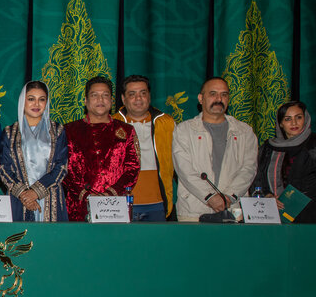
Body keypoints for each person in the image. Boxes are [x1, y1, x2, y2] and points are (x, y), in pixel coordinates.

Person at [172, 77, 258, 222]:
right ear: (201, 98)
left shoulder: (245, 131)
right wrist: (210, 197)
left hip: (233, 210)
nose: (219, 99)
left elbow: (249, 169)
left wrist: (229, 197)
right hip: (193, 211)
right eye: (213, 94)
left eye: (224, 94)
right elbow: (184, 170)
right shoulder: (183, 130)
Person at [62, 76, 140, 221]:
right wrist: (86, 195)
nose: (100, 100)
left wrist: (111, 193)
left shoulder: (126, 131)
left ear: (111, 101)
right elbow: (64, 169)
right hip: (79, 207)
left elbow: (132, 168)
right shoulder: (69, 130)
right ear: (85, 101)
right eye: (95, 95)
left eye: (105, 95)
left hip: (116, 207)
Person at [252, 101, 316, 223]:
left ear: (305, 119)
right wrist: (267, 196)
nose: (294, 123)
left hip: (309, 213)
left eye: (298, 117)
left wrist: (288, 198)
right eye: (288, 119)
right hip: (271, 212)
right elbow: (258, 177)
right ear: (280, 123)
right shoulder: (269, 147)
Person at [0, 81, 68, 222]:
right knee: (20, 241)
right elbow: (4, 168)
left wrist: (36, 192)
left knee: (51, 242)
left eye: (41, 99)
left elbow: (62, 166)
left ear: (46, 103)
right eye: (31, 99)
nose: (36, 104)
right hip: (19, 199)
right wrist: (25, 195)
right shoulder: (10, 132)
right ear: (22, 101)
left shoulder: (57, 130)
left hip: (50, 197)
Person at [113, 75, 175, 221]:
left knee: (157, 244)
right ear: (123, 99)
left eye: (143, 93)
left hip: (158, 203)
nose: (138, 98)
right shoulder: (113, 124)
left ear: (149, 96)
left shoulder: (167, 123)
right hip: (122, 203)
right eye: (132, 94)